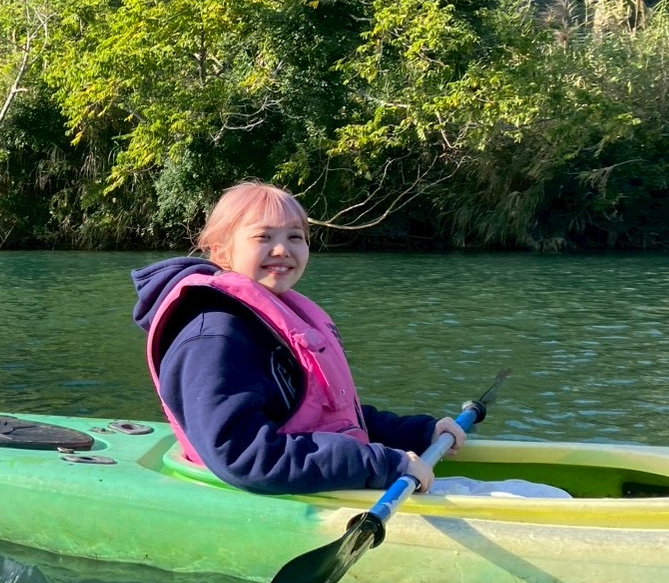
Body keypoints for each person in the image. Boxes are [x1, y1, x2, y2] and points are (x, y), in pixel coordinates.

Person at [131, 181, 567, 498]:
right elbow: (244, 456)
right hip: (291, 492)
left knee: (542, 491)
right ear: (221, 252)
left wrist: (417, 431)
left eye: (295, 237)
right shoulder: (215, 337)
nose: (283, 249)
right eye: (264, 237)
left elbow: (331, 416)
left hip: (332, 476)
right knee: (548, 499)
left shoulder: (277, 316)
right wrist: (382, 464)